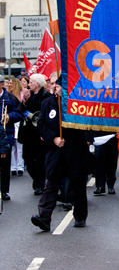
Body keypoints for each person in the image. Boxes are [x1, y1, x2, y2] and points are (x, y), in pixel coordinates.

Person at [31, 74, 89, 231]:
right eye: (53, 84)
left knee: (77, 184)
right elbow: (41, 126)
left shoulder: (75, 103)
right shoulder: (47, 103)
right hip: (55, 151)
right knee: (51, 184)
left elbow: (84, 124)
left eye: (58, 84)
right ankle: (44, 217)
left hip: (74, 150)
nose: (54, 86)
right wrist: (53, 139)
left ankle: (80, 216)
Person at [19, 74, 50, 195]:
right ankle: (37, 179)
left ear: (37, 84)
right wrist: (24, 102)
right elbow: (21, 109)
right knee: (27, 157)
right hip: (28, 133)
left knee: (40, 159)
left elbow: (41, 111)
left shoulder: (45, 96)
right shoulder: (29, 95)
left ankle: (40, 183)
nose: (29, 84)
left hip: (39, 133)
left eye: (31, 82)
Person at [0, 75, 23, 200]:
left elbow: (19, 113)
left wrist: (9, 116)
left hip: (6, 133)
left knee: (5, 164)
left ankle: (3, 190)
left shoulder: (10, 98)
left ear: (1, 85)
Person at [85, 130, 118, 195]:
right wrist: (89, 137)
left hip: (111, 132)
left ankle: (110, 185)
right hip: (98, 133)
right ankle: (100, 185)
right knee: (99, 159)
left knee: (111, 159)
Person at [9, 77, 25, 176]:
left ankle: (20, 166)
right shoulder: (7, 96)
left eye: (11, 83)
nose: (10, 85)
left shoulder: (22, 94)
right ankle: (13, 166)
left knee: (19, 145)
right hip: (11, 122)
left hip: (19, 122)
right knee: (12, 146)